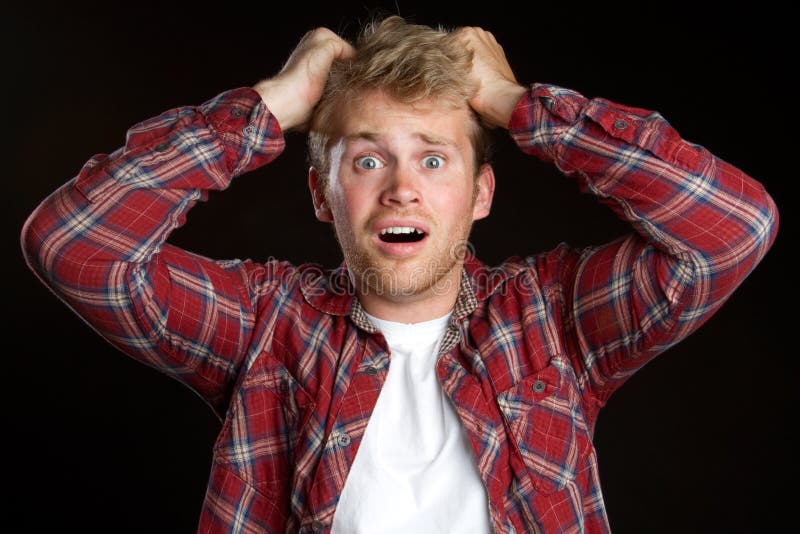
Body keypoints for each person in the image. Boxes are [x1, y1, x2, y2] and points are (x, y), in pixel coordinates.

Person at [20, 14, 778, 534]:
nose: (402, 188)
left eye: (434, 157)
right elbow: (77, 246)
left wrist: (518, 106)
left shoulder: (554, 317)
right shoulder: (265, 322)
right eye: (369, 158)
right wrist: (272, 104)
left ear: (480, 193)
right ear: (322, 194)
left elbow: (731, 230)